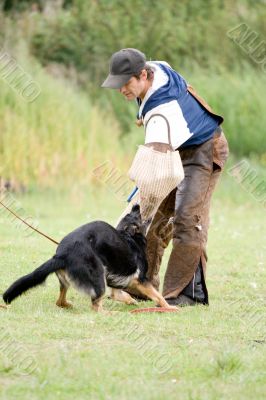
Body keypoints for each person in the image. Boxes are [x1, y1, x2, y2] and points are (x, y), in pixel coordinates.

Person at [101, 48, 229, 306]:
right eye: (117, 84)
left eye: (126, 83)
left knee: (187, 219)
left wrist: (133, 210)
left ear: (143, 75)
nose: (121, 90)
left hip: (204, 151)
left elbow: (152, 173)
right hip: (176, 150)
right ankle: (140, 284)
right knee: (154, 218)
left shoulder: (161, 114)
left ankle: (187, 293)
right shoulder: (156, 67)